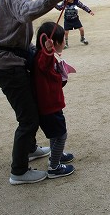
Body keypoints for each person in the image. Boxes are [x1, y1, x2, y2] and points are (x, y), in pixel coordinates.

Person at [0, 0, 74, 185]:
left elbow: (29, 10)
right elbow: (27, 12)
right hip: (7, 65)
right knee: (28, 118)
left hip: (14, 60)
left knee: (31, 110)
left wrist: (58, 1)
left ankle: (30, 147)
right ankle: (19, 171)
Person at [34, 22, 76, 179]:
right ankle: (54, 167)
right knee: (61, 135)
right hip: (50, 107)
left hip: (52, 105)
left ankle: (55, 157)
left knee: (55, 135)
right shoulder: (44, 57)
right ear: (53, 43)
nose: (64, 43)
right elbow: (44, 66)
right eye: (63, 40)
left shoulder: (44, 57)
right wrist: (48, 51)